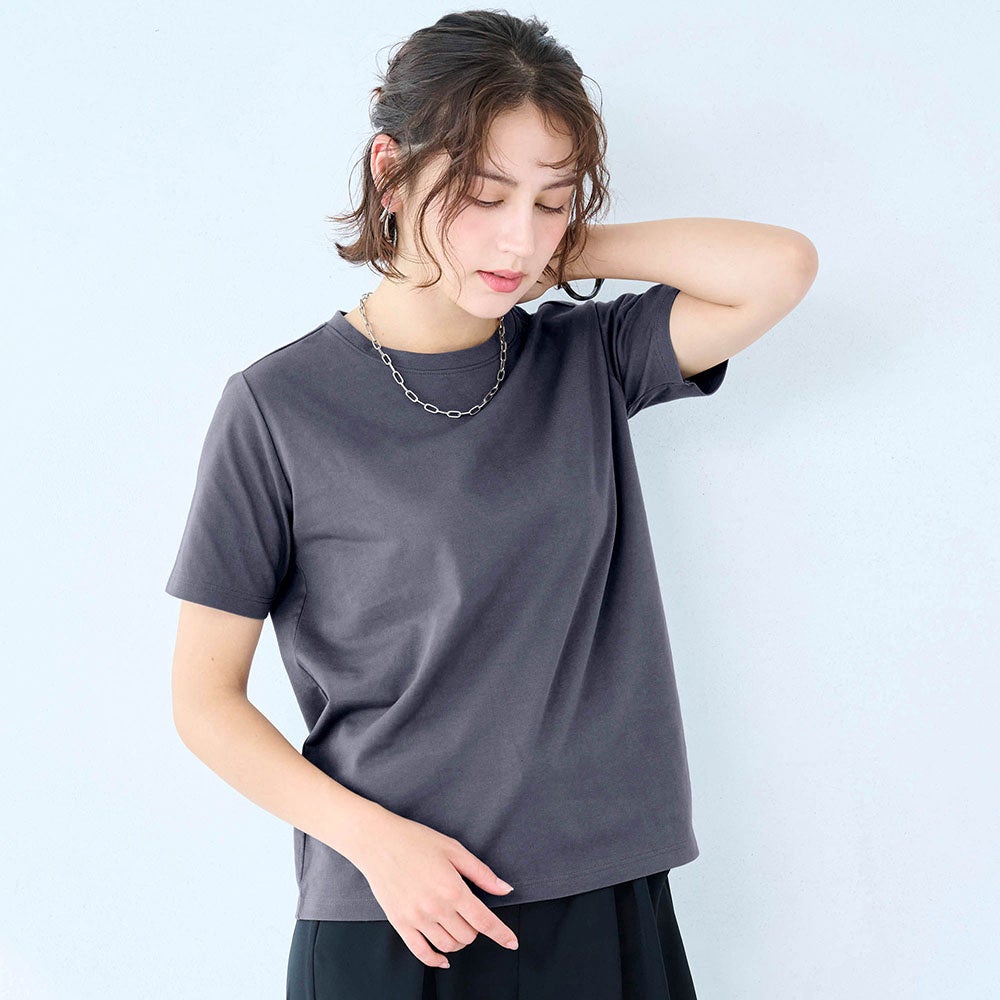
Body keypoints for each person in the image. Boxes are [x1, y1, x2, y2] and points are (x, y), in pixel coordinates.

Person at [165, 9, 817, 1000]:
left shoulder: (585, 358)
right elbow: (203, 699)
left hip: (603, 887)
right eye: (481, 194)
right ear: (391, 171)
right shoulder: (279, 406)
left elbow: (780, 269)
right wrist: (373, 841)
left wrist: (556, 250)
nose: (517, 233)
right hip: (402, 913)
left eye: (551, 200)